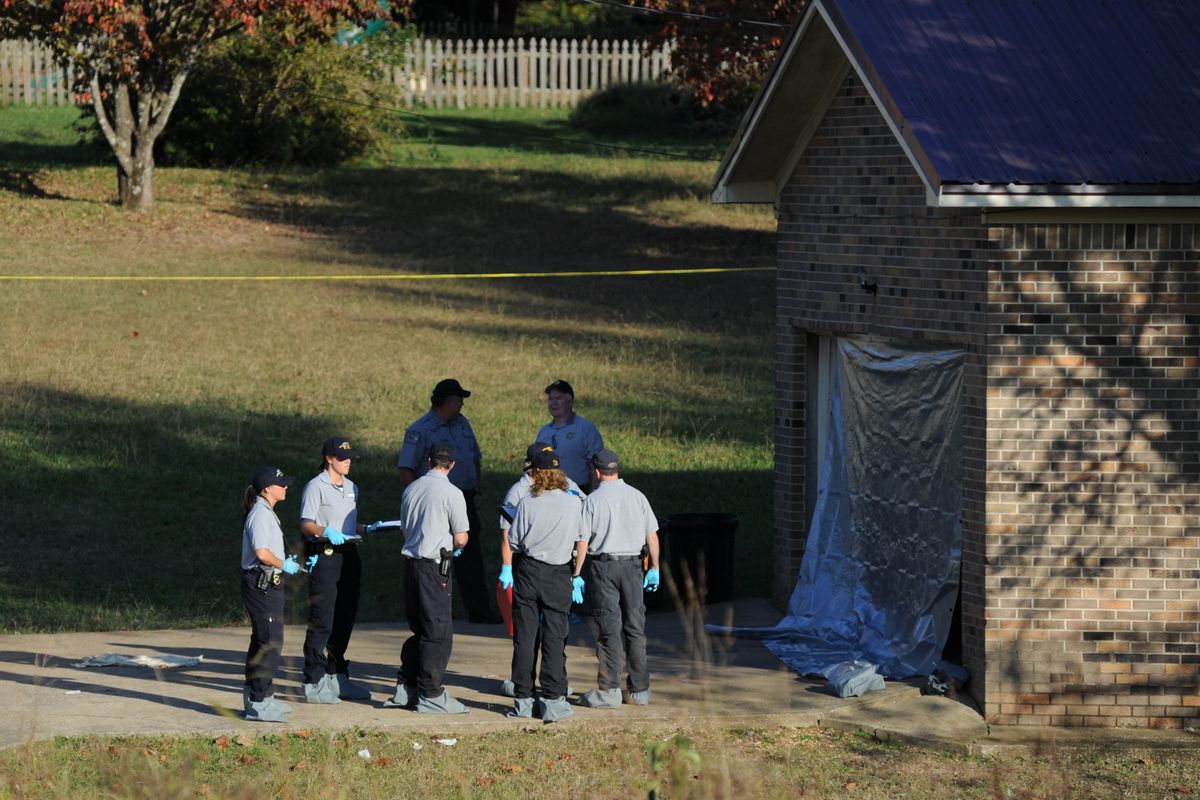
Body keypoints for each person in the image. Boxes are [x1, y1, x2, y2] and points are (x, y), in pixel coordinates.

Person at [398, 379, 501, 624]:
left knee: (470, 552)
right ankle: (437, 609)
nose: (462, 405)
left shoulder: (462, 423)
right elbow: (406, 468)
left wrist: (477, 490)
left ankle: (478, 609)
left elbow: (474, 456)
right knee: (435, 554)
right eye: (458, 400)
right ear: (447, 402)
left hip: (463, 496)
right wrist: (418, 498)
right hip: (433, 500)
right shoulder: (420, 430)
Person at [384, 443, 471, 714]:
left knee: (419, 628)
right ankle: (431, 693)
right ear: (452, 465)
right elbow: (460, 537)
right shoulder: (452, 493)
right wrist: (459, 546)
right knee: (438, 631)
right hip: (435, 567)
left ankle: (406, 685)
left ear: (428, 461)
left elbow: (405, 528)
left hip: (411, 563)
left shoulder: (412, 489)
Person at [505, 447, 588, 723]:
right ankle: (553, 699)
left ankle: (524, 699)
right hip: (559, 573)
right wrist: (576, 573)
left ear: (537, 473)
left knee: (526, 638)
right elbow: (581, 541)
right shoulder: (574, 503)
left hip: (529, 571)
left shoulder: (527, 503)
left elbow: (514, 542)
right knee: (555, 637)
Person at [578, 449, 661, 708]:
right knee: (635, 627)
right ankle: (639, 690)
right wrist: (655, 567)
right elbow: (652, 537)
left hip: (604, 567)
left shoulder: (592, 500)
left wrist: (576, 573)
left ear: (597, 472)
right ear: (618, 470)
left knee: (608, 629)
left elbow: (583, 540)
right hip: (633, 566)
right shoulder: (638, 496)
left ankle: (610, 689)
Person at [299, 436, 373, 703]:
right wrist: (325, 531)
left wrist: (365, 528)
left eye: (350, 457)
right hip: (326, 554)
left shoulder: (352, 487)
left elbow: (347, 522)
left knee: (346, 615)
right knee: (323, 617)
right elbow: (307, 523)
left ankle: (336, 674)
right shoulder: (315, 486)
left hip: (349, 554)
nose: (348, 461)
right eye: (342, 458)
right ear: (329, 459)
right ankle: (314, 679)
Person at [240, 466, 303, 723]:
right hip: (261, 583)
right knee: (270, 642)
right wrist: (283, 564)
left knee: (263, 641)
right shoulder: (260, 514)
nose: (285, 487)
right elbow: (262, 553)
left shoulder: (265, 511)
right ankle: (258, 703)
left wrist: (284, 562)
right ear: (267, 489)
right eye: (281, 484)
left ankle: (263, 697)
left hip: (267, 582)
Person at [536, 379, 604, 492]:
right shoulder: (544, 432)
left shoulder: (585, 428)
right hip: (548, 492)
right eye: (551, 399)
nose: (553, 403)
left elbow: (596, 465)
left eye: (558, 398)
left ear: (570, 401)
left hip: (578, 492)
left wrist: (593, 495)